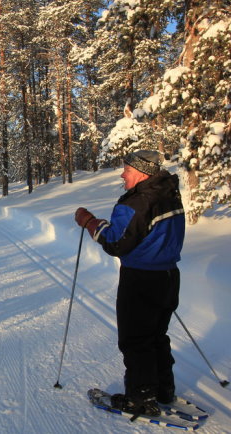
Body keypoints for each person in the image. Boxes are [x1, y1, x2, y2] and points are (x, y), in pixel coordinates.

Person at [74, 149, 185, 418]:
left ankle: (141, 399)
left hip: (141, 278)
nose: (123, 174)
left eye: (127, 170)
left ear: (142, 172)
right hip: (168, 276)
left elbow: (115, 242)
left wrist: (90, 223)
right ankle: (162, 390)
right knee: (157, 335)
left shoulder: (138, 202)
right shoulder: (169, 192)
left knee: (136, 340)